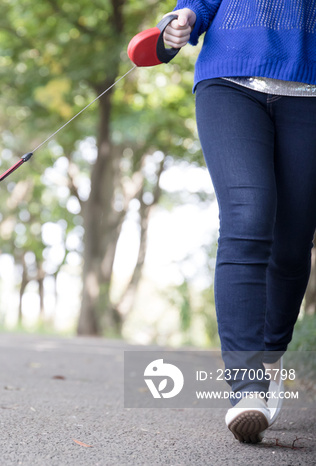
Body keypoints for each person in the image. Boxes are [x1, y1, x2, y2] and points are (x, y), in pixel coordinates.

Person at [162, 1, 316, 443]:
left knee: (292, 243)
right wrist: (185, 15)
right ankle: (247, 386)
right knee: (247, 217)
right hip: (230, 81)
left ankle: (270, 355)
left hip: (309, 89)